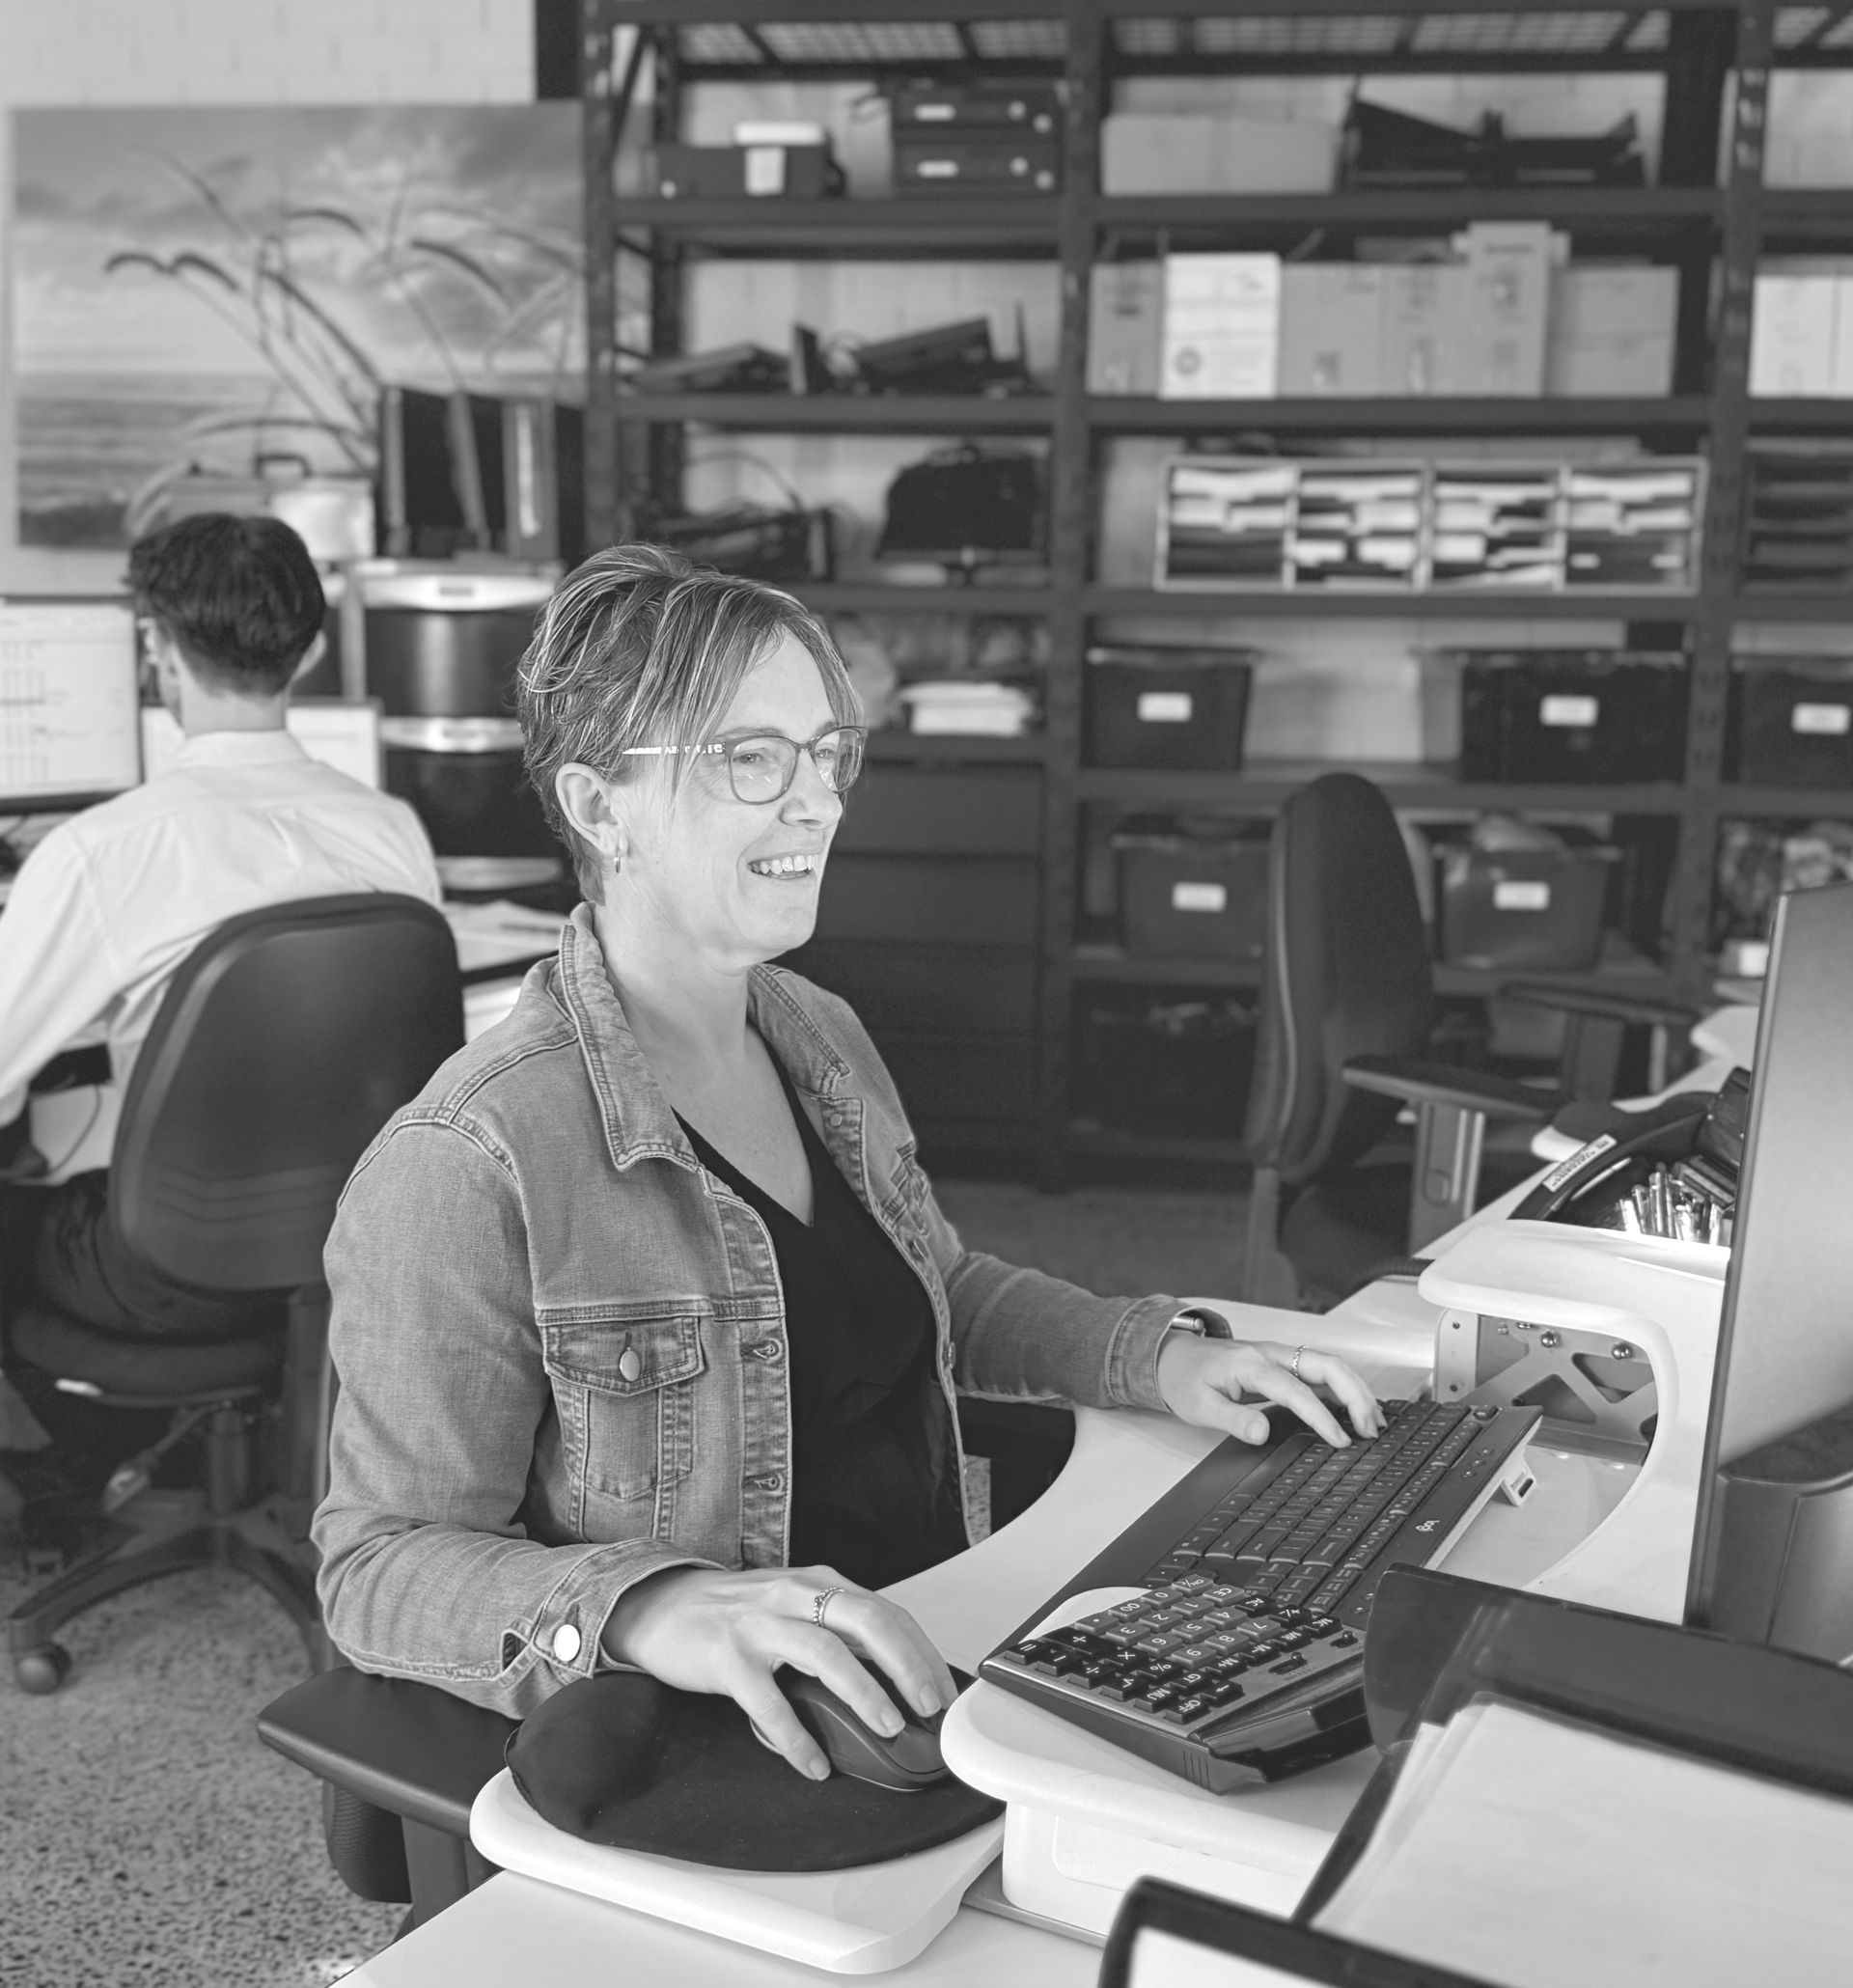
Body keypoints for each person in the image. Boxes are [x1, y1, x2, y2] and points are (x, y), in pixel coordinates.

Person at [313, 543, 1383, 1781]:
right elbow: (376, 1562)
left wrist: (1159, 1353)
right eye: (750, 759)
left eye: (826, 754)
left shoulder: (817, 1031)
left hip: (940, 1655)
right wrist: (649, 1607)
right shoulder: (471, 1158)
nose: (816, 801)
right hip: (747, 1731)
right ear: (602, 808)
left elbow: (937, 1286)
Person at [0, 513, 442, 1345]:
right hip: (362, 1254)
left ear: (159, 652)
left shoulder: (101, 853)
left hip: (157, 1276)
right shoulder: (392, 829)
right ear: (310, 654)